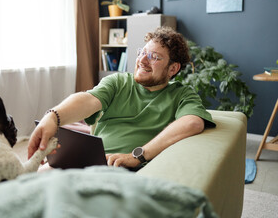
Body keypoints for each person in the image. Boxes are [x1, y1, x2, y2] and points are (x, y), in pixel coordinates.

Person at [28, 26, 215, 170]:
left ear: (173, 69)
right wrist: (53, 116)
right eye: (142, 53)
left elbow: (193, 123)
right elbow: (88, 100)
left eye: (154, 57)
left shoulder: (182, 94)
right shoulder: (118, 82)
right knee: (41, 176)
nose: (142, 60)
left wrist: (137, 156)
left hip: (122, 169)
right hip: (88, 160)